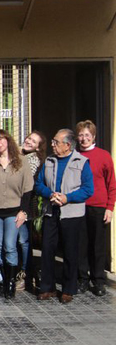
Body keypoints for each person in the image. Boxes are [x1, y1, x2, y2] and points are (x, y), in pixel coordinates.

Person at [36, 129, 94, 304]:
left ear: (68, 145)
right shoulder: (49, 161)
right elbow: (38, 184)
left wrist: (68, 198)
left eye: (56, 142)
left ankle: (69, 289)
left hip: (72, 213)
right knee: (47, 249)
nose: (53, 144)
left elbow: (88, 189)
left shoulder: (82, 161)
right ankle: (48, 287)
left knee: (70, 251)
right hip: (51, 210)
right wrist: (49, 194)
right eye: (53, 141)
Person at [0, 130, 33, 300]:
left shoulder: (21, 161)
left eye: (1, 139)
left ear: (8, 140)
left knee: (10, 246)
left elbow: (27, 189)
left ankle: (11, 283)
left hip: (14, 210)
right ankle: (4, 281)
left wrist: (23, 211)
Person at [75, 120, 115, 296]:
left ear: (94, 137)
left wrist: (110, 207)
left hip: (98, 206)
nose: (84, 139)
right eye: (81, 135)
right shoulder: (74, 155)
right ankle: (82, 279)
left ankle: (98, 281)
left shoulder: (104, 155)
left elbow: (111, 184)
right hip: (78, 206)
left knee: (98, 246)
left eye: (87, 135)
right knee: (80, 245)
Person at [16, 130, 47, 291]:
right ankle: (28, 274)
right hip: (17, 205)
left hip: (25, 206)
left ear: (38, 148)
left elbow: (26, 185)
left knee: (23, 242)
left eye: (33, 141)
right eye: (29, 138)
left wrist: (24, 209)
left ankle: (26, 275)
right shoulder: (21, 155)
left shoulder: (32, 160)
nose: (29, 141)